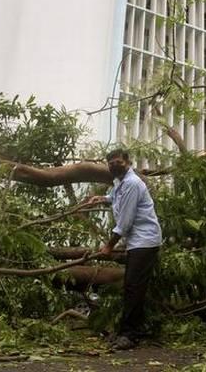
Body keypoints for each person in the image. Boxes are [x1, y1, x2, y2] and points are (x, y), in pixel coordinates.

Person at [88, 148, 162, 349]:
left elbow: (125, 222)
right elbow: (115, 196)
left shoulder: (132, 183)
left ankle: (129, 335)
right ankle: (128, 330)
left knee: (133, 287)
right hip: (136, 241)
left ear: (128, 162)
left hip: (144, 241)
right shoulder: (120, 182)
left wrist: (108, 246)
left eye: (118, 162)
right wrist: (103, 199)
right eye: (110, 163)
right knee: (132, 286)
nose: (114, 166)